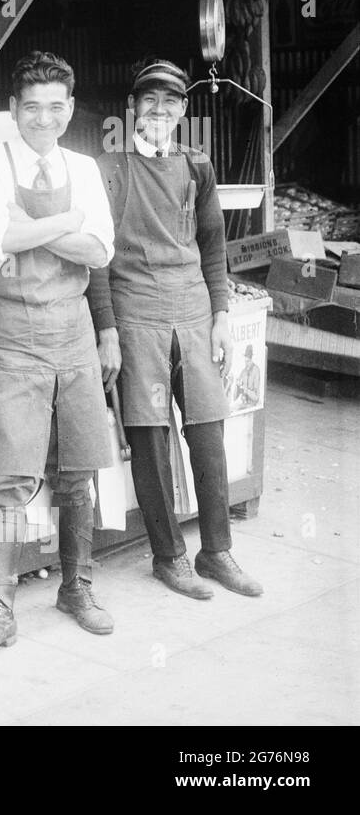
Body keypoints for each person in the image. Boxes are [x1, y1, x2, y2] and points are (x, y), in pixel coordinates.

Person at [0, 51, 117, 664]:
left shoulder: (83, 166)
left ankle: (77, 588)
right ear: (13, 111)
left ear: (69, 110)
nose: (43, 119)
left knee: (77, 470)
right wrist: (67, 221)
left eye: (56, 107)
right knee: (8, 482)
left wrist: (40, 223)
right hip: (12, 333)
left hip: (73, 331)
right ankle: (0, 610)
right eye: (31, 108)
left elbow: (100, 250)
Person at [89, 58, 262, 599]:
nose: (159, 109)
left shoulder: (197, 167)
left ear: (184, 110)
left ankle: (217, 552)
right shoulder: (108, 168)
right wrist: (108, 330)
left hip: (191, 312)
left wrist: (221, 315)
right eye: (149, 100)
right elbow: (96, 259)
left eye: (170, 101)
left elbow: (214, 247)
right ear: (133, 108)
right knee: (149, 438)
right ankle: (169, 556)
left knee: (208, 433)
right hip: (136, 312)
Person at [234, 345, 261, 409]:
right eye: (245, 361)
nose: (246, 364)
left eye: (248, 361)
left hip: (252, 404)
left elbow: (256, 397)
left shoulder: (256, 370)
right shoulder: (243, 371)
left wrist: (245, 389)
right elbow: (234, 398)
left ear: (251, 359)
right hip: (243, 403)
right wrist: (237, 386)